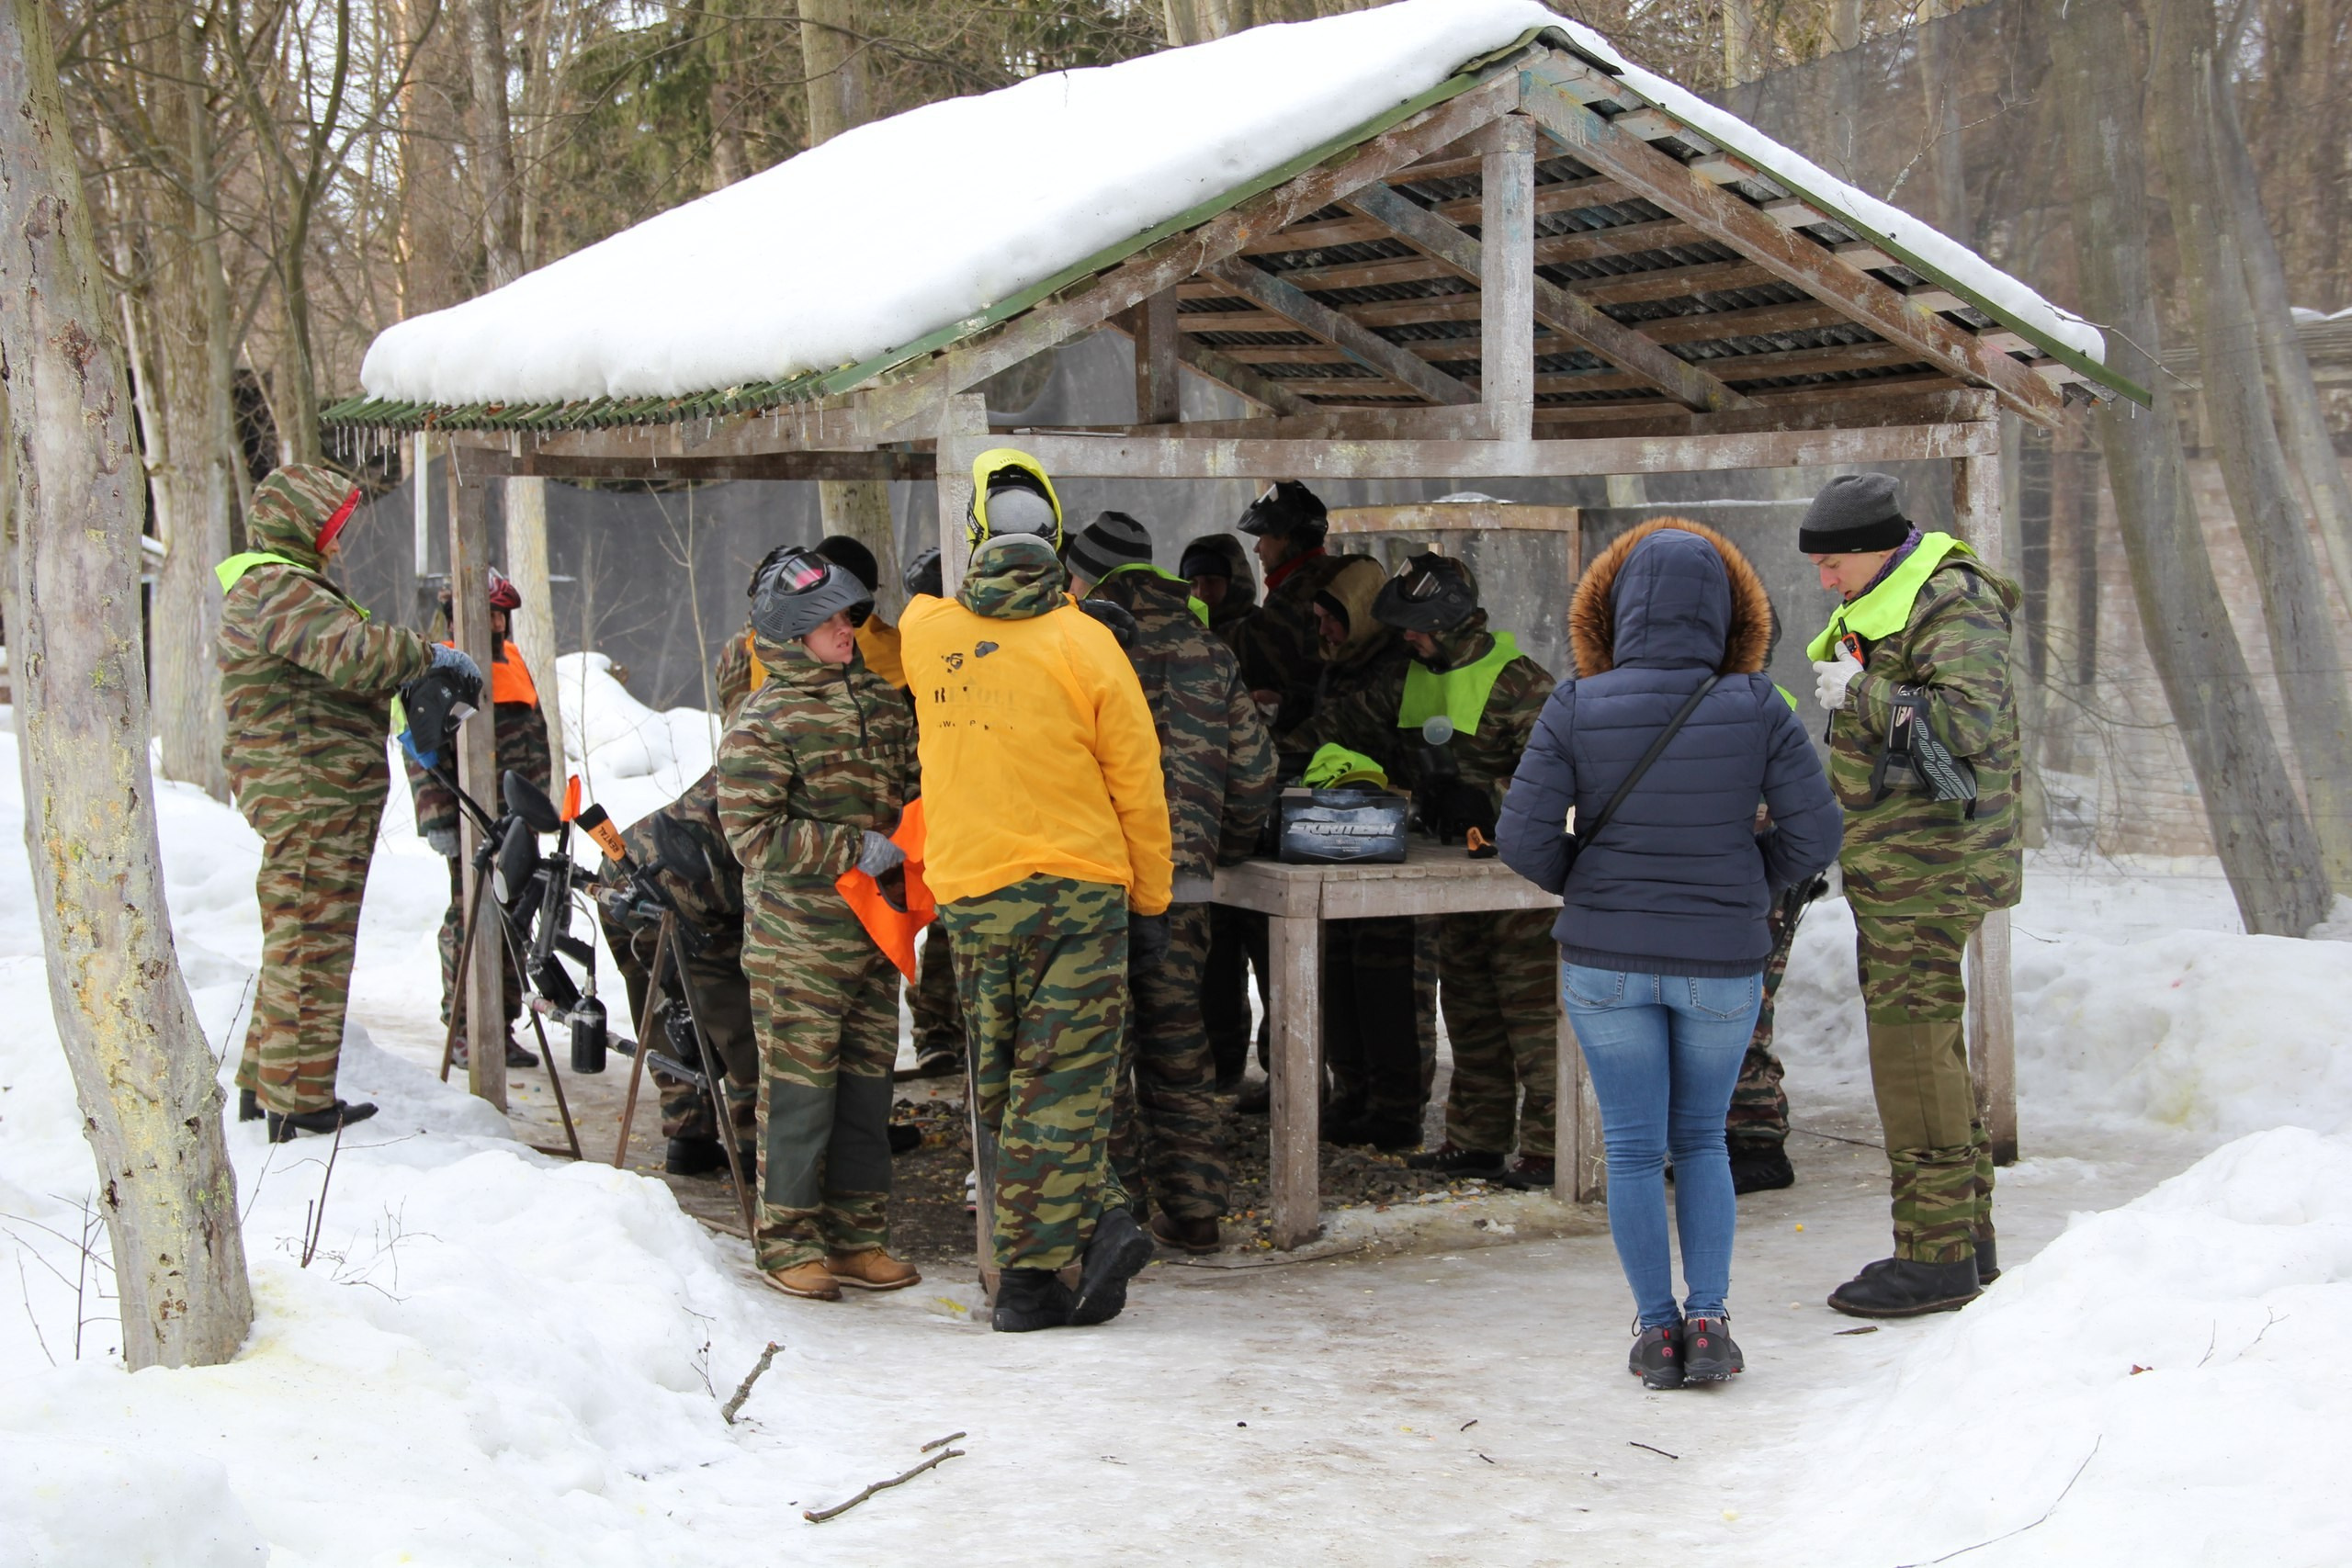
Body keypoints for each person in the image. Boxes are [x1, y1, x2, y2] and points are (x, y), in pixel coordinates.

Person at [1498, 521, 1840, 1389]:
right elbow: (1816, 831)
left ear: (1614, 612)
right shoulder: (1758, 706)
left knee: (1634, 1146)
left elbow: (1521, 836)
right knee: (1704, 1141)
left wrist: (1592, 883)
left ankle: (1656, 1331)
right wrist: (1748, 884)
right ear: (1730, 612)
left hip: (1604, 963)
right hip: (1721, 963)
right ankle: (1713, 1320)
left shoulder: (1576, 703)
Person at [899, 449, 1172, 1332]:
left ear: (975, 535)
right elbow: (1139, 784)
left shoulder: (926, 635)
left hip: (975, 896)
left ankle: (1081, 1241)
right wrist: (1153, 901)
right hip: (1083, 891)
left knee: (1008, 1081)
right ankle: (1049, 1264)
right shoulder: (1089, 643)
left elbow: (892, 621)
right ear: (1058, 539)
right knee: (1065, 1082)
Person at [1801, 473, 2021, 1319]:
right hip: (1905, 862)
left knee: (1913, 1055)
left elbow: (1968, 722)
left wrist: (1860, 693)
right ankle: (1967, 1240)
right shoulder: (1894, 596)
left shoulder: (1950, 598)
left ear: (1879, 543)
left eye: (1833, 562)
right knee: (1931, 1053)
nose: (1826, 580)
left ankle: (1933, 1259)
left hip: (1933, 867)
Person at [1286, 553, 1557, 1180]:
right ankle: (1476, 1138)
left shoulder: (1521, 684)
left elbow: (1562, 785)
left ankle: (1548, 1147)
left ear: (1453, 620)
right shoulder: (1403, 679)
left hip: (1521, 888)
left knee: (1533, 1021)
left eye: (1418, 625)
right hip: (1454, 884)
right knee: (1468, 1013)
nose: (1407, 636)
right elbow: (1336, 729)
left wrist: (1487, 796)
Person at [217, 464, 464, 1140]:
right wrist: (429, 654)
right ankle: (297, 1101)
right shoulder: (278, 589)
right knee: (311, 946)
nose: (337, 541)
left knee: (298, 939)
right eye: (330, 527)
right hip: (310, 796)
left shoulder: (280, 588)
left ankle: (265, 1085)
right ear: (301, 524)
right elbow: (354, 654)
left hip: (317, 795)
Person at [1063, 512, 1277, 1254]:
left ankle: (1115, 1213)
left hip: (1096, 877)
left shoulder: (1079, 643)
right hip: (1182, 882)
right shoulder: (1207, 648)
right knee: (1179, 1041)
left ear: (1087, 577)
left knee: (1102, 1049)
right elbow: (1255, 772)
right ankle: (1196, 1210)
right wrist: (1223, 845)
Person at [716, 547, 922, 1301]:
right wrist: (851, 847)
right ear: (796, 626)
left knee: (867, 1093)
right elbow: (751, 836)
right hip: (798, 947)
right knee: (800, 1098)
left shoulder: (877, 698)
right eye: (835, 616)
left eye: (851, 613)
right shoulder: (764, 720)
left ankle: (857, 1238)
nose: (850, 626)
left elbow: (911, 789)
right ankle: (788, 1242)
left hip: (873, 934)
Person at [1279, 555, 1425, 1149]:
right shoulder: (1336, 667)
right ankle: (1354, 1093)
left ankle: (1394, 1107)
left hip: (1389, 842)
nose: (1324, 632)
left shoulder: (1394, 670)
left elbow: (1334, 732)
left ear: (1361, 616)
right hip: (1334, 837)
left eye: (1333, 619)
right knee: (1339, 966)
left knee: (1383, 977)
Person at [808, 535, 966, 1082]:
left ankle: (930, 1039)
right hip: (845, 834)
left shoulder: (900, 651)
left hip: (914, 815)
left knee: (935, 921)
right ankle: (913, 1048)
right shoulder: (775, 651)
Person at [405, 567, 552, 1070]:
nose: (494, 622)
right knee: (470, 920)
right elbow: (422, 749)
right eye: (486, 612)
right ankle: (466, 1025)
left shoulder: (513, 660)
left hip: (519, 820)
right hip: (474, 819)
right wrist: (437, 819)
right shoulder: (442, 668)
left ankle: (501, 1024)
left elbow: (537, 737)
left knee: (515, 919)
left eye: (500, 614)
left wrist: (543, 806)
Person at [595, 768, 760, 1177]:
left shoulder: (755, 733)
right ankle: (755, 1147)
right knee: (737, 1018)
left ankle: (687, 1134)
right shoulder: (793, 750)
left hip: (624, 864)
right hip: (690, 884)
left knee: (662, 1004)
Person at [1230, 481, 1348, 734]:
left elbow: (1236, 652)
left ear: (1283, 537)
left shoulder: (1293, 597)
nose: (1257, 548)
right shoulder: (1338, 574)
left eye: (1261, 537)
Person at [1180, 532, 1258, 651]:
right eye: (1192, 584)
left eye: (1212, 581)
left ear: (1234, 582)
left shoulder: (1261, 633)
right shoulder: (1179, 634)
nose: (1201, 592)